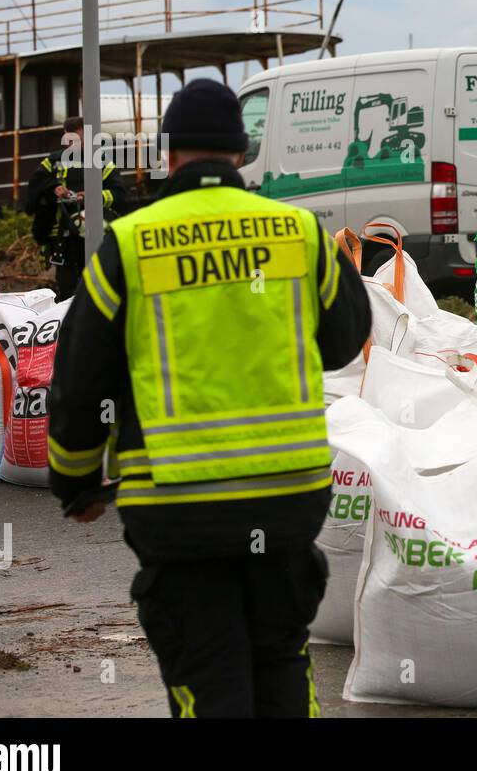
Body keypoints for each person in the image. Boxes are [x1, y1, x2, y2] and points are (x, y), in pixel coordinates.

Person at [46, 79, 371, 718]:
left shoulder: (132, 241)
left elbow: (80, 379)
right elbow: (346, 342)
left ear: (169, 156)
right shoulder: (298, 231)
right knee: (280, 655)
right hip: (286, 501)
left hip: (179, 508)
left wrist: (76, 482)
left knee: (209, 670)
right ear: (241, 152)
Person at [24, 115, 127, 300]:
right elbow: (35, 185)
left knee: (97, 286)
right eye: (69, 140)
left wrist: (93, 197)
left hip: (94, 235)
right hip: (61, 237)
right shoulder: (54, 161)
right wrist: (53, 188)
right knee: (67, 288)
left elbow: (119, 194)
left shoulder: (102, 163)